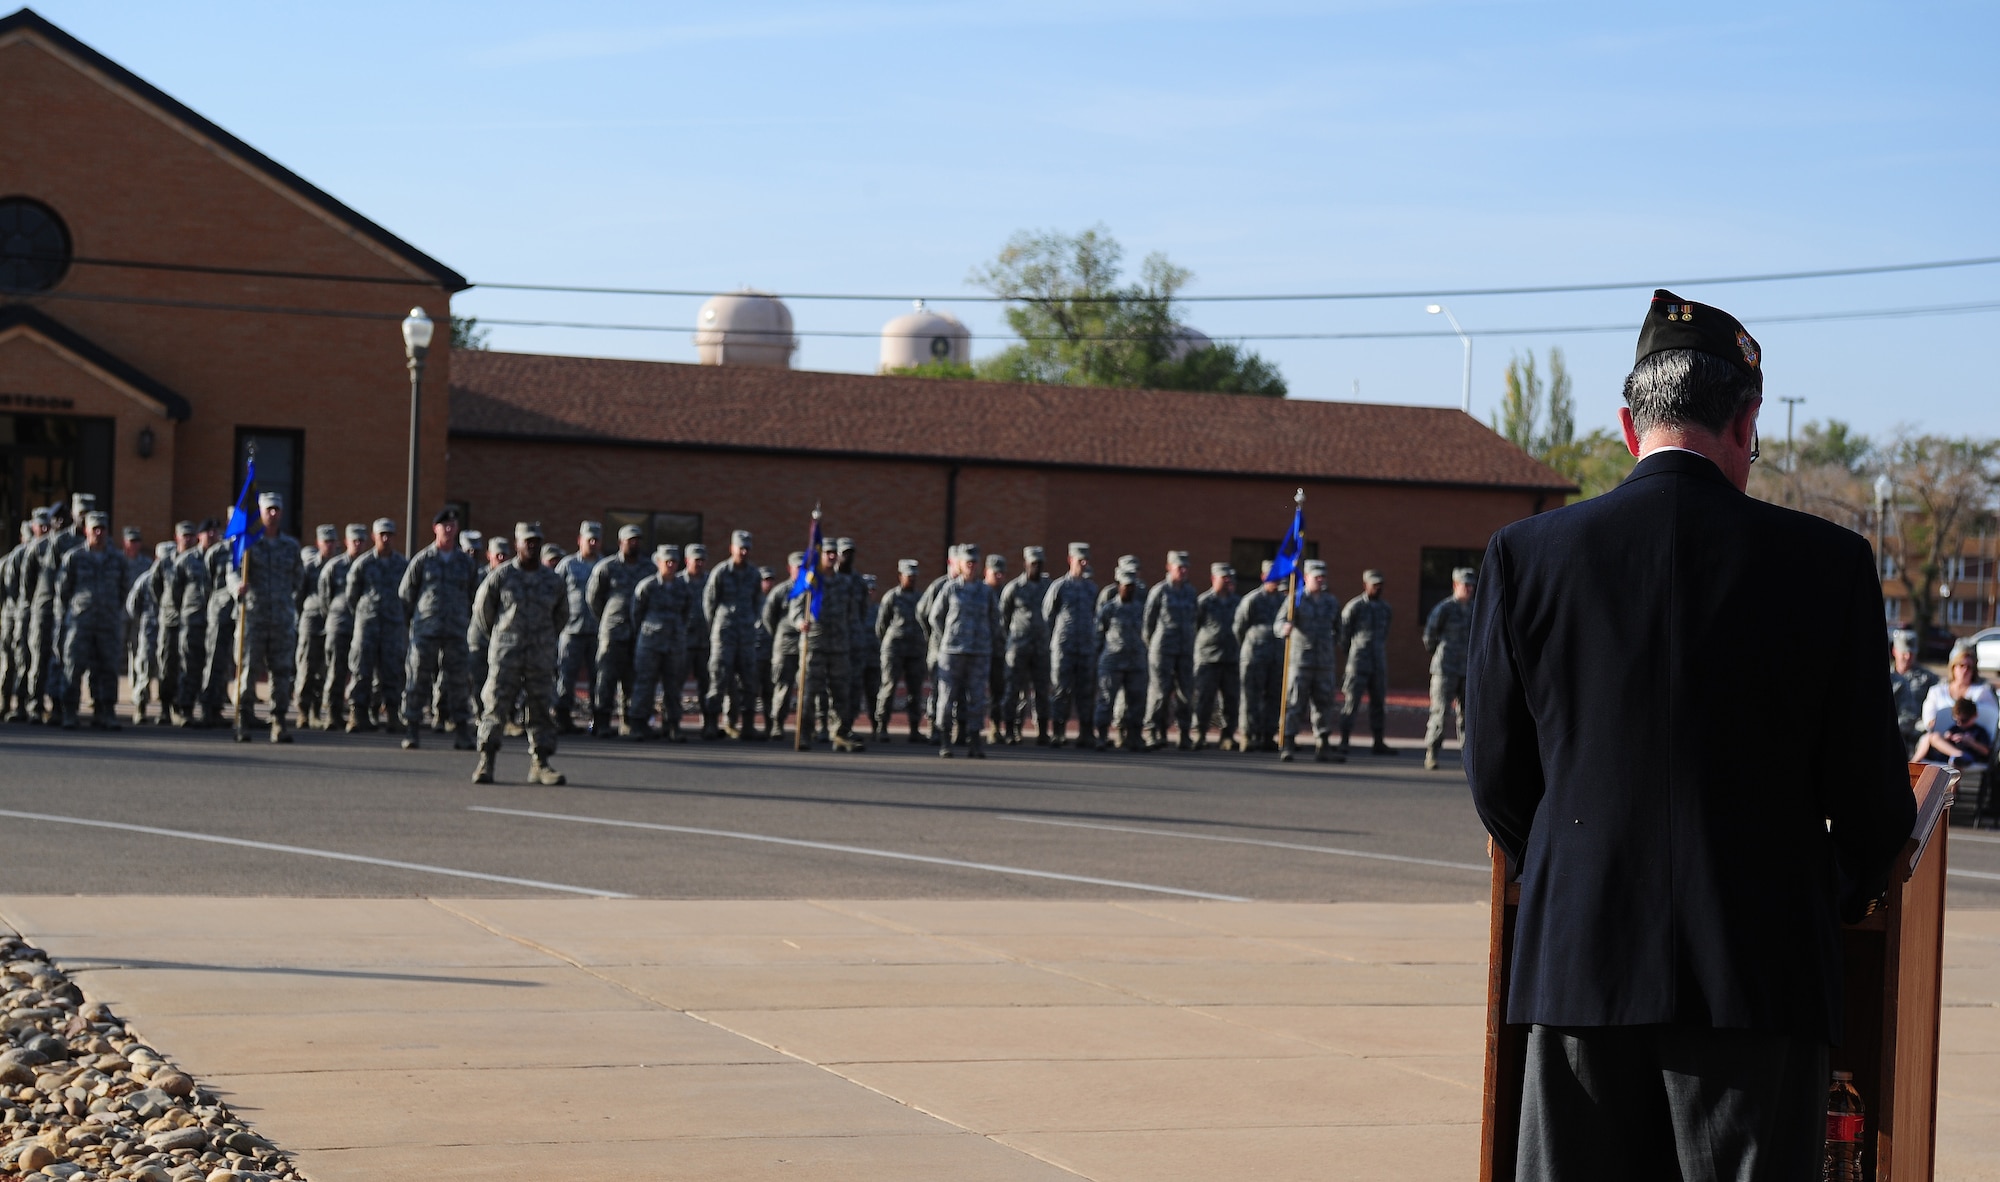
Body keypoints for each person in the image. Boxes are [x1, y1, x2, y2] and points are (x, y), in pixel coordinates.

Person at [1466, 289, 1915, 1180]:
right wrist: (1824, 892)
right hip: (1759, 973)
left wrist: (1577, 869)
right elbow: (1872, 801)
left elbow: (1499, 780)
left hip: (1580, 965)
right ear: (1747, 424)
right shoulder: (1829, 566)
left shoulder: (1527, 556)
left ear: (1629, 426)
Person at [472, 521, 568, 785]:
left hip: (539, 655)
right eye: (528, 541)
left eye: (537, 541)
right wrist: (502, 637)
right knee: (496, 707)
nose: (533, 546)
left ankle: (541, 763)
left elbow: (561, 615)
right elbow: (483, 614)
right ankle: (486, 762)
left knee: (540, 707)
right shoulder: (501, 577)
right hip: (507, 654)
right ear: (517, 544)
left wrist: (544, 638)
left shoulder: (553, 580)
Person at [399, 508, 477, 750]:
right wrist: (415, 623)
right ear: (435, 528)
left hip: (456, 630)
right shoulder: (423, 560)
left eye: (453, 525)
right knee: (418, 678)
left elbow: (474, 594)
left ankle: (462, 731)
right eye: (445, 525)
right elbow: (406, 595)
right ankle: (412, 729)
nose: (449, 529)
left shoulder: (465, 562)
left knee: (458, 681)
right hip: (426, 630)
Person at [232, 492, 304, 743]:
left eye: (276, 509)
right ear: (260, 513)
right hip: (254, 616)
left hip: (281, 618)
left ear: (281, 513)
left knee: (281, 671)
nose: (272, 514)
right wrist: (237, 588)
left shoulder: (291, 546)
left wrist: (285, 599)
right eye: (268, 510)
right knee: (249, 669)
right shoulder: (249, 543)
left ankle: (279, 722)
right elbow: (233, 572)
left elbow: (299, 578)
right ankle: (243, 719)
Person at [55, 511, 124, 730]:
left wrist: (111, 609)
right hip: (80, 622)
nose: (99, 532)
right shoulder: (74, 557)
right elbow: (63, 591)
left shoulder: (117, 559)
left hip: (107, 622)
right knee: (73, 666)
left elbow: (124, 590)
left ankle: (106, 712)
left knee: (107, 668)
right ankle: (69, 712)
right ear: (86, 530)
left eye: (102, 528)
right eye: (94, 528)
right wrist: (66, 618)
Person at [928, 543, 996, 758]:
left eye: (974, 562)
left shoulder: (986, 592)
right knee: (947, 697)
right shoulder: (950, 588)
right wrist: (947, 638)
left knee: (977, 698)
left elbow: (995, 620)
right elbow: (935, 617)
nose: (971, 566)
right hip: (952, 652)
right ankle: (945, 740)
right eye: (967, 563)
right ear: (959, 564)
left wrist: (986, 640)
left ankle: (974, 741)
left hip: (978, 653)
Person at [798, 537, 864, 752]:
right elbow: (795, 609)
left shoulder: (846, 583)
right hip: (815, 644)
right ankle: (805, 733)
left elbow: (854, 614)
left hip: (840, 646)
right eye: (828, 552)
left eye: (834, 553)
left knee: (841, 693)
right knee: (810, 693)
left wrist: (853, 639)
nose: (832, 556)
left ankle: (840, 734)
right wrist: (800, 622)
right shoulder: (811, 580)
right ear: (820, 555)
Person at [344, 518, 409, 733]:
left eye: (389, 534)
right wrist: (365, 614)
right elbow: (351, 596)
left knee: (392, 670)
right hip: (368, 626)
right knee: (361, 670)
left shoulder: (402, 565)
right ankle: (357, 714)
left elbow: (409, 595)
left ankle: (392, 714)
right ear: (373, 536)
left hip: (392, 626)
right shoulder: (363, 564)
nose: (385, 538)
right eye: (381, 534)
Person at [587, 524, 649, 737]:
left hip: (638, 632)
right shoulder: (607, 567)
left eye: (637, 540)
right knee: (606, 678)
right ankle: (602, 721)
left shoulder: (648, 568)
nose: (634, 543)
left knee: (633, 679)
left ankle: (628, 721)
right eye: (630, 540)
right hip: (613, 632)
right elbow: (594, 599)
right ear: (621, 542)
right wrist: (607, 619)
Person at [1279, 560, 1343, 763]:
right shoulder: (1295, 600)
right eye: (1316, 576)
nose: (1320, 580)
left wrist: (1333, 643)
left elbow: (1340, 629)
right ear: (1306, 578)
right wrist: (1284, 628)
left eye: (1323, 576)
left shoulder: (1331, 602)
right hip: (1300, 661)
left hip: (1324, 662)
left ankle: (1322, 744)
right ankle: (1288, 743)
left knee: (1324, 703)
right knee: (1295, 702)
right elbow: (1279, 623)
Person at [629, 544, 693, 740]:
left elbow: (687, 613)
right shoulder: (647, 586)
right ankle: (639, 724)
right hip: (650, 643)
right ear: (658, 563)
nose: (671, 565)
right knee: (645, 683)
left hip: (674, 643)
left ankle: (672, 724)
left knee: (673, 685)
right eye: (667, 562)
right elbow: (636, 614)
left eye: (674, 562)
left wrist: (677, 630)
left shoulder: (683, 587)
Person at [703, 530, 761, 740]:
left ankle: (746, 726)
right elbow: (709, 603)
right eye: (740, 548)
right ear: (732, 548)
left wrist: (752, 622)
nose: (743, 552)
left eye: (747, 548)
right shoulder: (720, 572)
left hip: (745, 636)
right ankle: (711, 724)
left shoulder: (754, 574)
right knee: (718, 679)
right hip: (724, 635)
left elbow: (757, 602)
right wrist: (717, 627)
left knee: (749, 682)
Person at [1042, 543, 1097, 748]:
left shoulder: (1091, 588)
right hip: (1064, 647)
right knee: (1061, 690)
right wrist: (1054, 640)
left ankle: (1085, 733)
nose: (1083, 563)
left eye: (1086, 560)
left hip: (1085, 646)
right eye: (1079, 559)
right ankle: (1058, 731)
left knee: (1086, 690)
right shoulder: (1059, 586)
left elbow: (1094, 614)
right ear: (1070, 560)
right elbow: (1047, 615)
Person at [1421, 567, 1476, 770]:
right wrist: (1442, 654)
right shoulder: (1444, 608)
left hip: (1468, 670)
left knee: (1468, 716)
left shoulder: (1476, 609)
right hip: (1445, 669)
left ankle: (1468, 759)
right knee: (1440, 713)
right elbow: (1429, 637)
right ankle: (1432, 752)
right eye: (1465, 585)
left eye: (1471, 585)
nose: (1469, 589)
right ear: (1455, 585)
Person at [1143, 550, 1198, 750]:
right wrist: (1152, 645)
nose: (1183, 571)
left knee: (1185, 692)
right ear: (1169, 567)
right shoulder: (1160, 591)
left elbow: (1195, 619)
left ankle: (1184, 734)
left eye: (1186, 568)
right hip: (1163, 649)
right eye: (1179, 567)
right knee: (1159, 692)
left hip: (1184, 649)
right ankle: (1153, 732)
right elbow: (1148, 623)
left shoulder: (1191, 592)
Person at [998, 546, 1050, 744]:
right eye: (1033, 563)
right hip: (1019, 646)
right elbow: (1003, 617)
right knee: (1013, 689)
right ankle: (1011, 729)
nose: (1036, 567)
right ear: (1026, 564)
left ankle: (1043, 730)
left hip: (1041, 647)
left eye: (1039, 564)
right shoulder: (1014, 588)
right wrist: (1010, 639)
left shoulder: (1048, 586)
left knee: (1042, 690)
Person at [554, 522, 602, 735]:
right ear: (579, 540)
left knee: (598, 678)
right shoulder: (568, 565)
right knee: (566, 675)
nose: (592, 543)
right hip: (571, 630)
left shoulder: (605, 566)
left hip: (598, 632)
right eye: (589, 539)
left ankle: (598, 720)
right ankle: (563, 718)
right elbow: (553, 593)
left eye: (596, 540)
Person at [1338, 569, 1394, 756]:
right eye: (1374, 585)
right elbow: (1343, 636)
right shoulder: (1354, 607)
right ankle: (1344, 740)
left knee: (1378, 702)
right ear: (1365, 585)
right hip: (1358, 661)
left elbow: (1385, 633)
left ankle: (1378, 741)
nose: (1378, 588)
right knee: (1351, 701)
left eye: (1380, 585)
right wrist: (1353, 653)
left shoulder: (1386, 608)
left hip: (1378, 661)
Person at [1235, 559, 1289, 753]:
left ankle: (1268, 735)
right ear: (1263, 576)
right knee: (1251, 697)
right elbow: (1239, 628)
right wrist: (1249, 648)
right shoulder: (1252, 600)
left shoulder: (1285, 602)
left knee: (1274, 697)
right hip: (1254, 656)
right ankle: (1248, 736)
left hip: (1276, 657)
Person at [170, 519, 217, 727]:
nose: (212, 536)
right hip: (193, 620)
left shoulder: (225, 558)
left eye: (216, 532)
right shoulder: (187, 560)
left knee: (215, 666)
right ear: (200, 535)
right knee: (189, 665)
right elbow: (174, 592)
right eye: (208, 532)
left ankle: (211, 709)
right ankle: (185, 709)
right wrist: (187, 610)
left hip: (216, 622)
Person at [1094, 568, 1148, 751]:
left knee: (1137, 699)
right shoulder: (1109, 609)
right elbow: (1098, 634)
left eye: (1132, 587)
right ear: (1118, 586)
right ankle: (1101, 736)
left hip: (1135, 661)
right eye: (1126, 586)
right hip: (1112, 661)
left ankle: (1134, 736)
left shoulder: (1141, 609)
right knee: (1106, 699)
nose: (1130, 590)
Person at [875, 558, 927, 743]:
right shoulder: (892, 597)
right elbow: (881, 625)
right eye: (908, 576)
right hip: (895, 648)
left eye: (914, 576)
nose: (912, 579)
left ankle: (914, 729)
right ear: (900, 576)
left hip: (915, 650)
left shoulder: (922, 598)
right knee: (889, 687)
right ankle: (882, 726)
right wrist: (888, 644)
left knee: (915, 690)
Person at [1192, 563, 1241, 751]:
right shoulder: (1204, 601)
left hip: (1230, 658)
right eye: (1224, 577)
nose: (1227, 580)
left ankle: (1227, 736)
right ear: (1214, 579)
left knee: (1231, 700)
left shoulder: (1237, 602)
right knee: (1204, 699)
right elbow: (1195, 626)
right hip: (1208, 659)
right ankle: (1200, 734)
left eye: (1229, 577)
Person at [125, 540, 175, 724]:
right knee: (145, 668)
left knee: (167, 670)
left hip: (168, 630)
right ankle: (140, 707)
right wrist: (144, 621)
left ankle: (165, 709)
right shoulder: (145, 579)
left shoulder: (175, 578)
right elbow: (132, 605)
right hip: (149, 630)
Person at [294, 525, 339, 728]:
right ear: (317, 543)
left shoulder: (340, 566)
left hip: (332, 622)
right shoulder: (309, 567)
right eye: (325, 541)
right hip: (311, 620)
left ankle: (316, 712)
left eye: (332, 541)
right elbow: (298, 595)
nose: (329, 545)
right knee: (307, 667)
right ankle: (302, 712)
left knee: (325, 668)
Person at [1920, 643, 1998, 752]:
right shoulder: (1936, 691)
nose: (1965, 670)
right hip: (1940, 744)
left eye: (1969, 667)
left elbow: (1991, 721)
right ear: (1953, 667)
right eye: (1961, 665)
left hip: (1970, 746)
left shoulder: (1982, 692)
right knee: (1926, 739)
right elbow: (1929, 722)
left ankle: (1959, 756)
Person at [765, 551, 805, 741]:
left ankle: (806, 726)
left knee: (808, 689)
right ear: (790, 568)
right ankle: (777, 724)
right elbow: (768, 617)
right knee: (783, 687)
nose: (801, 571)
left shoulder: (810, 590)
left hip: (805, 646)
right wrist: (779, 634)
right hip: (785, 646)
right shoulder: (781, 591)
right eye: (798, 567)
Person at [680, 543, 713, 738]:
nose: (699, 564)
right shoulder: (678, 582)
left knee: (707, 685)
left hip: (705, 642)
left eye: (702, 560)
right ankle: (671, 722)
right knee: (675, 683)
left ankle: (709, 723)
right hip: (682, 642)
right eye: (696, 560)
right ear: (687, 561)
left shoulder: (711, 581)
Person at [1888, 633, 1939, 755]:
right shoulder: (1888, 677)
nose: (1907, 656)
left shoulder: (1928, 677)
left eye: (1912, 653)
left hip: (1917, 730)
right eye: (1904, 652)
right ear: (1894, 651)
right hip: (1892, 729)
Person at [1912, 697, 1992, 768]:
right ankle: (1913, 763)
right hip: (1948, 756)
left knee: (1956, 762)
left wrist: (1971, 742)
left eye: (1964, 720)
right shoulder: (1955, 728)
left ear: (1975, 716)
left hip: (1967, 757)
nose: (1959, 723)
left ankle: (1959, 757)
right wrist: (1947, 739)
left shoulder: (1979, 731)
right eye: (1956, 720)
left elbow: (1986, 751)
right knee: (1930, 736)